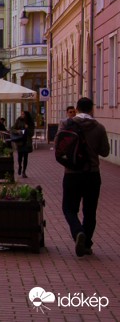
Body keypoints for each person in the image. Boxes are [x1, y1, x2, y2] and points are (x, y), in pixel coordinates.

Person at [61, 97, 110, 257]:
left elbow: (59, 147)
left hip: (71, 173)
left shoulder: (66, 125)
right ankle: (86, 244)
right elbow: (105, 151)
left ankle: (78, 232)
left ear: (76, 108)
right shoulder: (99, 127)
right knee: (90, 211)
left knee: (69, 208)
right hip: (92, 174)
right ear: (92, 109)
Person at [12, 112, 32, 178]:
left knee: (26, 157)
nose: (22, 115)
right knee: (20, 156)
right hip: (20, 141)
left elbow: (32, 133)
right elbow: (12, 129)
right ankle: (20, 166)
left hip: (27, 142)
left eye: (23, 114)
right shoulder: (18, 120)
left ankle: (24, 172)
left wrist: (27, 128)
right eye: (21, 114)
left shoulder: (30, 122)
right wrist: (18, 131)